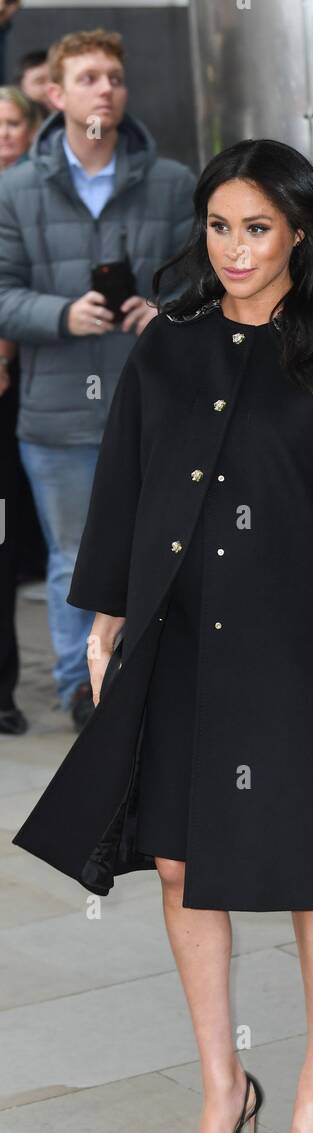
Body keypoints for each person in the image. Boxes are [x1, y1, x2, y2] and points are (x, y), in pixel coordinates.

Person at [12, 137, 313, 1133]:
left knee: (311, 867)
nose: (235, 250)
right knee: (182, 862)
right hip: (183, 637)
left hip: (303, 643)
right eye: (220, 226)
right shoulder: (170, 347)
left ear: (297, 234)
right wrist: (104, 616)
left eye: (258, 229)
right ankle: (220, 1084)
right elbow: (127, 482)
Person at [0, 28, 194, 730]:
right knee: (74, 561)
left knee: (164, 554)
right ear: (54, 93)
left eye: (113, 76)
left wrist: (164, 309)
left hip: (157, 410)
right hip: (57, 417)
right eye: (87, 78)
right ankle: (83, 690)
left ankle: (153, 679)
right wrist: (60, 313)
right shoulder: (14, 190)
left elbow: (204, 280)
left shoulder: (172, 182)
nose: (104, 89)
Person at [0, 84, 38, 733]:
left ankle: (2, 688)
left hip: (23, 387)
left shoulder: (35, 196)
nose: (3, 134)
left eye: (13, 123)